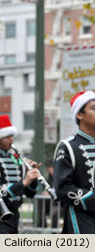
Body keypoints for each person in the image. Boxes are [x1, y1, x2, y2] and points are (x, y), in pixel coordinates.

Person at [0, 114, 40, 234]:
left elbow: (29, 193)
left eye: (11, 136)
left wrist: (32, 177)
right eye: (7, 136)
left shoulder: (16, 159)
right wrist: (24, 182)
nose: (11, 139)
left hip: (15, 213)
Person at [54, 91, 95, 234]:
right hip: (82, 219)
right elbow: (63, 189)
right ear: (80, 114)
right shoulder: (68, 146)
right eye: (94, 108)